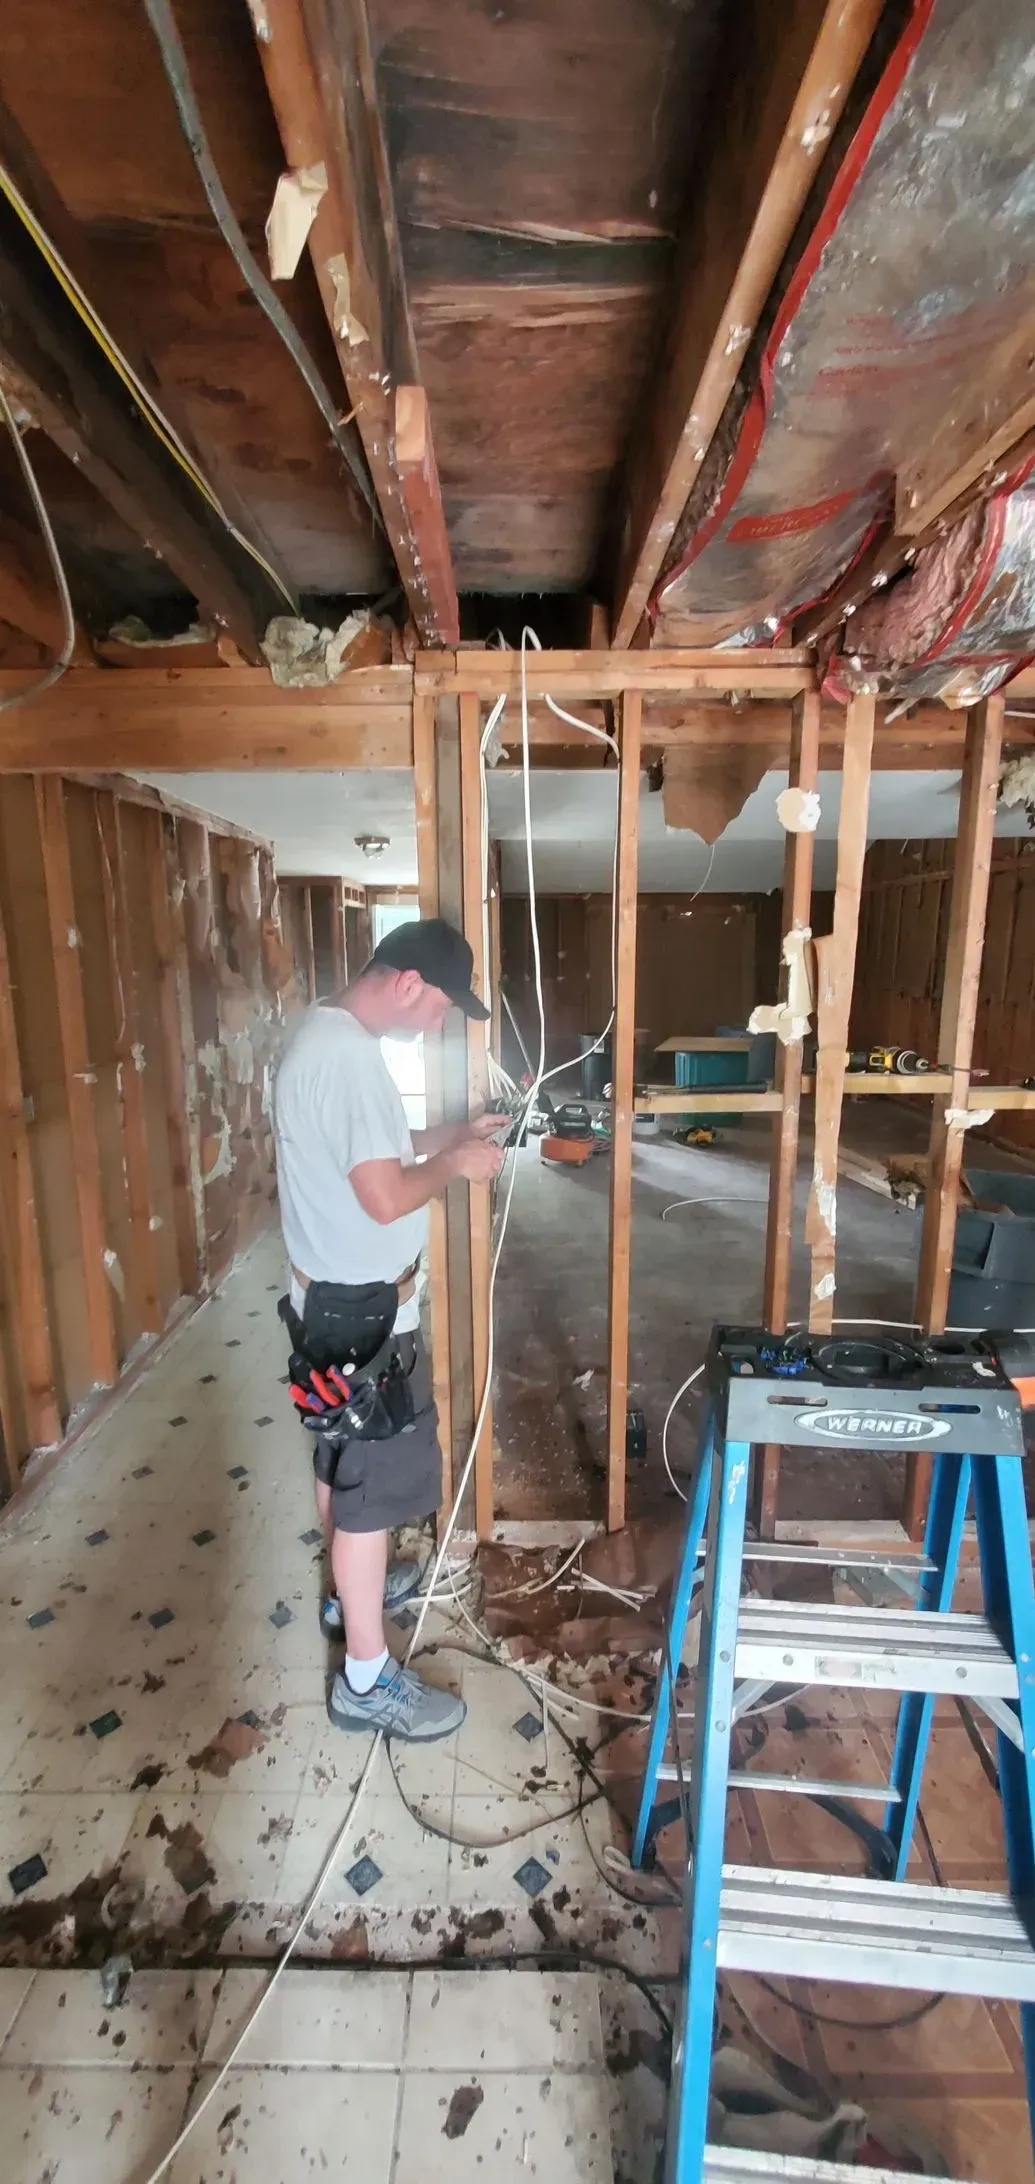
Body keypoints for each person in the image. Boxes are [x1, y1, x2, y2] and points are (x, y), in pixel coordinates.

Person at [273, 916, 504, 1742]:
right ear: (407, 983)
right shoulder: (348, 1057)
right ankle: (366, 1681)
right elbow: (383, 1195)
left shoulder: (321, 1034)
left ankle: (348, 1594)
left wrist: (449, 1136)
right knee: (370, 1492)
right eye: (440, 1006)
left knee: (339, 1460)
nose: (437, 1022)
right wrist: (455, 1168)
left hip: (328, 1305)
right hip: (366, 1319)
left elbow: (372, 1151)